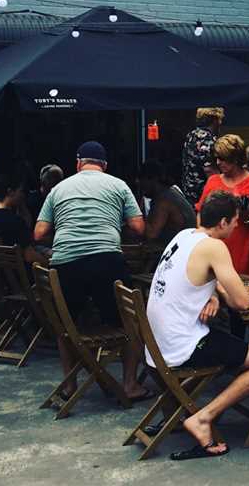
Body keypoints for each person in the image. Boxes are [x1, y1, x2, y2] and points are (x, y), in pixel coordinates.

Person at [145, 191, 249, 460]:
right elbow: (242, 302)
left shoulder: (184, 236)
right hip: (182, 345)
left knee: (223, 341)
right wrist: (226, 292)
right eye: (234, 221)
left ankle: (176, 414)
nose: (237, 225)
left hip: (156, 346)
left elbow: (196, 279)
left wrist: (214, 294)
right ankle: (203, 418)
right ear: (222, 223)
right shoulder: (214, 246)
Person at [33, 141, 148, 400]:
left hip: (65, 263)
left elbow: (39, 233)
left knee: (66, 324)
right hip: (107, 260)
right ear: (104, 166)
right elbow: (139, 228)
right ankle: (129, 385)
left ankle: (70, 385)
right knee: (130, 321)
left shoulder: (59, 188)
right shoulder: (118, 185)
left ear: (78, 164)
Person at [196, 135, 249, 280]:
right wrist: (202, 238)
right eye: (217, 158)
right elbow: (200, 212)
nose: (218, 163)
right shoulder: (213, 181)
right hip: (216, 245)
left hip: (245, 247)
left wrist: (247, 217)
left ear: (236, 158)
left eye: (223, 159)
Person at [0, 174, 48, 266]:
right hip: (20, 276)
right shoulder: (15, 221)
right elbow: (29, 256)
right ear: (10, 192)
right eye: (21, 191)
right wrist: (50, 263)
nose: (23, 195)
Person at [138, 160, 196, 245]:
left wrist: (135, 216)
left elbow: (151, 234)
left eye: (141, 178)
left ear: (154, 179)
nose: (137, 182)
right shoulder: (169, 193)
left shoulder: (163, 200)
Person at [182, 107, 224, 206]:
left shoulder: (190, 136)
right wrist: (221, 194)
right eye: (220, 119)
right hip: (205, 196)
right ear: (215, 120)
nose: (221, 123)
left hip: (189, 193)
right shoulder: (208, 139)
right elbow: (210, 170)